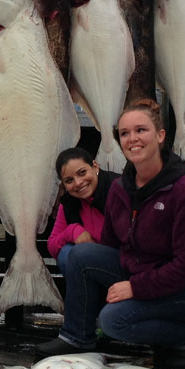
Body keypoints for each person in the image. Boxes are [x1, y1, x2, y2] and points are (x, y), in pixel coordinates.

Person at [37, 99, 185, 369]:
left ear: (160, 136)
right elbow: (112, 249)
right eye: (125, 133)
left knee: (114, 320)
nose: (132, 138)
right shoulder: (121, 189)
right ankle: (78, 337)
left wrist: (135, 288)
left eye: (141, 130)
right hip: (143, 274)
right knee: (81, 254)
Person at [37, 147, 119, 356]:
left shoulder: (118, 192)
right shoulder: (69, 204)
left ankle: (77, 334)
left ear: (95, 166)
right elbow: (53, 244)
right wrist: (74, 231)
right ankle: (80, 334)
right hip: (92, 273)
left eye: (82, 173)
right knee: (68, 253)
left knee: (80, 254)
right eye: (69, 180)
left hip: (127, 268)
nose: (78, 183)